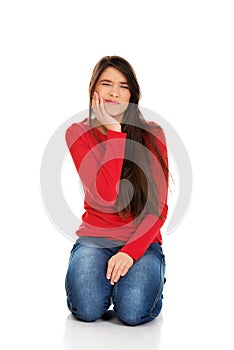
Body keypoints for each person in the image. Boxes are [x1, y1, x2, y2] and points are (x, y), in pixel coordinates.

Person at [65, 55, 169, 326]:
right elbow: (105, 195)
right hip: (94, 239)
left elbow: (158, 209)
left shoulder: (152, 134)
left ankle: (143, 279)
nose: (114, 92)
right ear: (93, 90)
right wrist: (114, 132)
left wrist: (129, 252)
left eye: (123, 86)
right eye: (106, 83)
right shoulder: (78, 133)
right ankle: (108, 284)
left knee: (133, 312)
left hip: (142, 243)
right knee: (87, 309)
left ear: (132, 94)